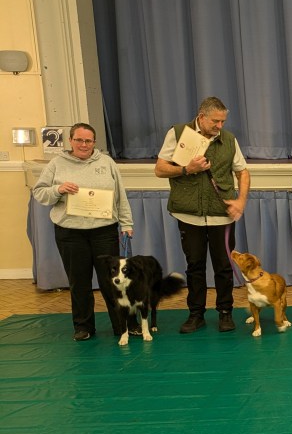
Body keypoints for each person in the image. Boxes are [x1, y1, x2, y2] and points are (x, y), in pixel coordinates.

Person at [154, 96, 249, 333]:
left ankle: (225, 312)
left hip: (221, 215)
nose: (220, 126)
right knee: (195, 266)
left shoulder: (229, 139)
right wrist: (187, 169)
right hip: (189, 215)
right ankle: (196, 314)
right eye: (215, 121)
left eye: (223, 121)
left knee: (224, 267)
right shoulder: (177, 134)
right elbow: (160, 169)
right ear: (201, 116)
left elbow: (243, 172)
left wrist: (240, 201)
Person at [31, 123, 133, 341]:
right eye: (79, 140)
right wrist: (58, 189)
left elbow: (120, 195)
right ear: (70, 140)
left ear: (94, 142)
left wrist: (126, 223)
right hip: (70, 233)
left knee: (112, 281)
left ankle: (122, 325)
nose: (84, 144)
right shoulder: (56, 164)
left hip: (104, 231)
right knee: (79, 282)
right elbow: (39, 193)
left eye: (88, 141)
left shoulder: (107, 162)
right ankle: (83, 327)